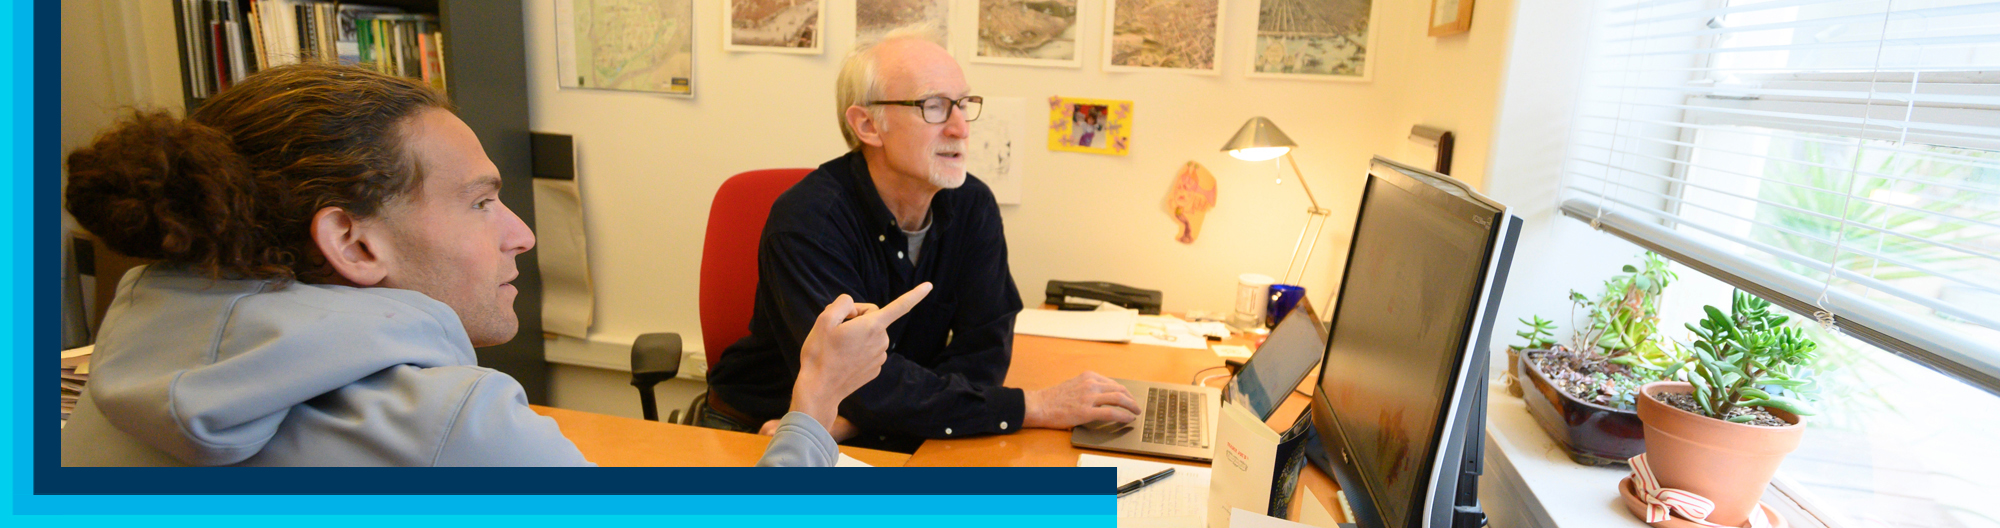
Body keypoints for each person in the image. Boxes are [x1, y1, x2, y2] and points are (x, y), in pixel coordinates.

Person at [58, 62, 928, 467]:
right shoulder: (454, 423)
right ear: (354, 243)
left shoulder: (116, 369)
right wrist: (815, 401)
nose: (521, 233)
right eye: (480, 202)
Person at [702, 32, 1140, 453]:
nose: (961, 128)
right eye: (934, 106)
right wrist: (1035, 406)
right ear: (868, 124)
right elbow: (854, 381)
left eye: (964, 105)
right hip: (763, 435)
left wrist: (860, 417)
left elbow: (983, 353)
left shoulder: (972, 205)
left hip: (874, 430)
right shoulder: (809, 221)